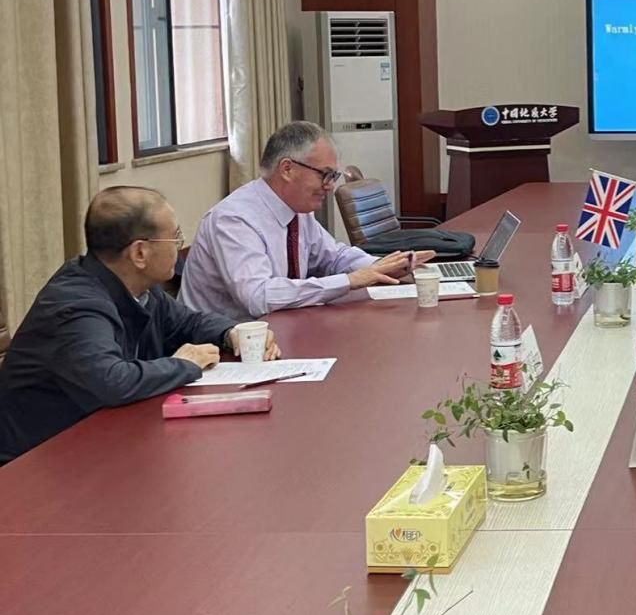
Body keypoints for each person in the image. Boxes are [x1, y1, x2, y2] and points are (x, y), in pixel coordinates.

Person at [0, 187, 277, 464]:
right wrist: (183, 364)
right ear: (140, 253)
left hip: (101, 441)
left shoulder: (139, 287)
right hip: (34, 463)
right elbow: (112, 381)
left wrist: (231, 332)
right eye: (175, 237)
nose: (178, 246)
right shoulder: (76, 304)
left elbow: (189, 322)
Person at [181, 122, 435, 320]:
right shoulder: (235, 219)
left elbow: (333, 257)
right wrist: (350, 280)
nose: (330, 186)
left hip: (279, 331)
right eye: (325, 175)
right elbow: (258, 297)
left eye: (333, 176)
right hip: (220, 348)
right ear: (287, 169)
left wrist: (382, 266)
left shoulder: (297, 211)